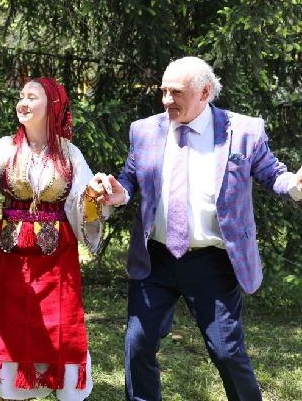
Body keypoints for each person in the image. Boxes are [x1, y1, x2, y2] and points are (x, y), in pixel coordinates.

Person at [91, 56, 302, 400]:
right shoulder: (144, 130)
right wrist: (120, 193)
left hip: (212, 263)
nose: (166, 100)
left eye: (176, 92)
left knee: (227, 352)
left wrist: (295, 184)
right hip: (155, 259)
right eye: (163, 91)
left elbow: (272, 173)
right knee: (138, 344)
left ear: (204, 92)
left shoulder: (243, 131)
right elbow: (129, 177)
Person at [0, 77, 113, 400]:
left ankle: (63, 386)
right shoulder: (5, 147)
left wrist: (95, 196)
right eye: (21, 96)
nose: (23, 102)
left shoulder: (69, 153)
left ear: (53, 106)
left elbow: (81, 201)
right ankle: (14, 391)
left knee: (61, 322)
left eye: (32, 96)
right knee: (12, 322)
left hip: (58, 259)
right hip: (14, 256)